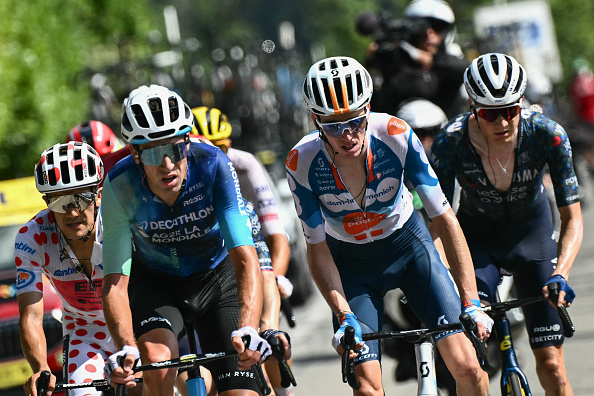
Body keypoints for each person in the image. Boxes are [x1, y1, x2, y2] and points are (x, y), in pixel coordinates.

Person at [286, 56, 492, 395]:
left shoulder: (395, 135)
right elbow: (316, 247)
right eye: (334, 125)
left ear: (367, 109)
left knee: (468, 367)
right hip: (353, 268)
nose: (347, 135)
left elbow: (443, 218)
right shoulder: (301, 161)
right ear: (315, 120)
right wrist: (342, 313)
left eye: (355, 120)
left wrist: (470, 301)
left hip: (410, 249)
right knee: (367, 388)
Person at [100, 84, 280, 395]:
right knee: (156, 364)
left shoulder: (212, 163)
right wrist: (126, 347)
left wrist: (249, 327)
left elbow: (245, 256)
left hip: (216, 277)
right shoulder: (119, 185)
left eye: (174, 149)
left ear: (187, 142)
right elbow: (115, 283)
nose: (167, 164)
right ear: (135, 153)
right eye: (155, 153)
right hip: (157, 285)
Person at [430, 52, 583, 394]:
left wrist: (562, 273)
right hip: (478, 245)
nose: (502, 123)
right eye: (490, 114)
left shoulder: (548, 135)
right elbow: (437, 222)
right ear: (472, 107)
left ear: (522, 103)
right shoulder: (450, 141)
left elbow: (572, 216)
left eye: (510, 111)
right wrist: (440, 275)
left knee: (553, 366)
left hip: (533, 238)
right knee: (471, 363)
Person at [192, 107, 295, 396]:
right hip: (205, 274)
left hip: (251, 252)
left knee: (264, 339)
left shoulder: (244, 164)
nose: (216, 156)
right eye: (205, 149)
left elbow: (274, 239)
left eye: (221, 146)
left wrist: (277, 280)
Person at [17, 142, 112, 396]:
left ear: (99, 194)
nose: (72, 211)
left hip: (137, 322)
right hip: (86, 333)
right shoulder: (32, 237)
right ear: (46, 202)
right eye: (60, 201)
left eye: (81, 197)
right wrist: (40, 368)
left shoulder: (118, 220)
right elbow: (31, 316)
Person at [364, 0, 469, 118]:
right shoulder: (398, 61)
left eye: (437, 27)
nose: (429, 33)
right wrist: (374, 64)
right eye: (421, 27)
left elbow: (467, 70)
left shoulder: (452, 60)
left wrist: (427, 58)